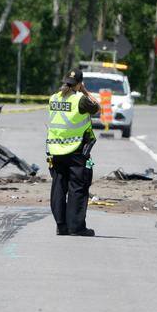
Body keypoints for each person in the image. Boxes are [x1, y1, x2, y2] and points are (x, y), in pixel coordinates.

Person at [46, 68, 99, 236]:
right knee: (78, 187)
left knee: (59, 188)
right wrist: (84, 90)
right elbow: (97, 108)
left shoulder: (53, 98)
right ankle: (76, 227)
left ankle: (61, 226)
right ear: (79, 83)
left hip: (55, 150)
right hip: (77, 150)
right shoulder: (80, 100)